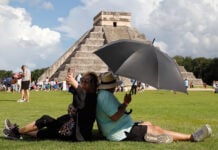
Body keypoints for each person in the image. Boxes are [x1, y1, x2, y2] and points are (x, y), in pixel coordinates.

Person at [96, 72, 212, 143]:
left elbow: (114, 111)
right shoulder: (105, 96)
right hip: (120, 132)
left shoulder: (104, 95)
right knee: (156, 129)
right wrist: (125, 104)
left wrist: (124, 103)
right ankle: (191, 137)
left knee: (148, 123)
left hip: (122, 127)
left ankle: (149, 137)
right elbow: (115, 117)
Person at [3, 71, 99, 141]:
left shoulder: (92, 97)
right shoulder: (87, 95)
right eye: (82, 80)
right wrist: (72, 108)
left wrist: (75, 84)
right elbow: (79, 105)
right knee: (45, 133)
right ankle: (18, 132)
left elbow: (84, 100)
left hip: (75, 133)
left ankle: (16, 131)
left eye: (87, 80)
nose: (83, 82)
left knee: (46, 119)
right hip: (70, 127)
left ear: (94, 84)